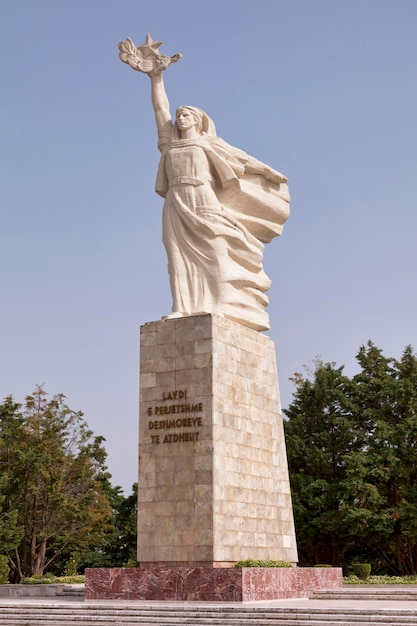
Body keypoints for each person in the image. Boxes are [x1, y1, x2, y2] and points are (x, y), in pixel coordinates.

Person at [144, 50, 290, 332]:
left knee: (216, 251)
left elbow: (245, 160)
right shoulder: (169, 144)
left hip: (203, 198)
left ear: (198, 121)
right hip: (176, 200)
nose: (181, 118)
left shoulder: (209, 144)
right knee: (177, 256)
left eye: (186, 114)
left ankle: (224, 305)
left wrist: (268, 173)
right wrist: (156, 77)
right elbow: (160, 111)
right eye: (179, 115)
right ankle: (182, 307)